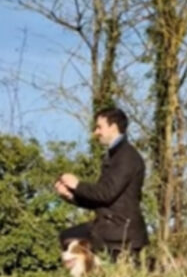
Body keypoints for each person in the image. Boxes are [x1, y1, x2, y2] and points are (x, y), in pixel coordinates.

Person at [55, 107, 149, 263]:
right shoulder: (115, 156)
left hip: (121, 233)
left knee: (71, 239)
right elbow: (100, 199)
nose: (96, 132)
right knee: (68, 237)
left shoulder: (126, 156)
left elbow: (106, 193)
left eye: (99, 127)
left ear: (113, 127)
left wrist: (77, 184)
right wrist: (71, 195)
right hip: (109, 228)